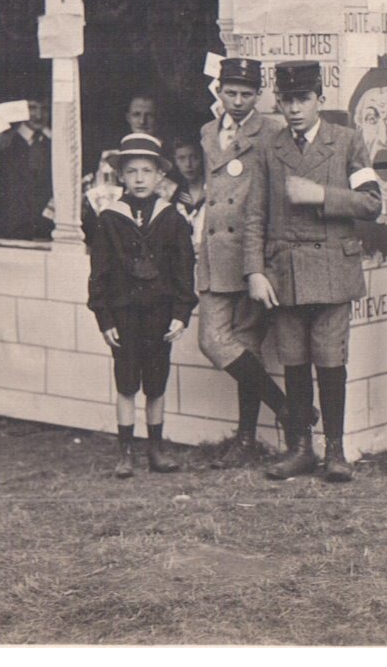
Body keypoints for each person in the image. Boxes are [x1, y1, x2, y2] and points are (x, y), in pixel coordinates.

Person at [243, 61, 383, 481]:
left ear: (320, 98)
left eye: (303, 99)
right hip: (284, 272)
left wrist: (320, 194)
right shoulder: (270, 148)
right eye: (287, 100)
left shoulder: (347, 142)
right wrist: (254, 271)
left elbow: (373, 204)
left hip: (332, 271)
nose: (295, 108)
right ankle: (300, 448)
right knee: (294, 359)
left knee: (329, 359)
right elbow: (254, 214)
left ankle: (335, 452)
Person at [195, 58, 295, 469]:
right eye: (230, 92)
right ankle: (287, 409)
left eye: (246, 93)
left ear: (259, 95)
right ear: (219, 91)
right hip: (215, 253)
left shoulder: (271, 130)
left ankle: (246, 438)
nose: (237, 101)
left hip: (252, 254)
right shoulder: (207, 132)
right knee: (213, 340)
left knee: (248, 344)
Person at [86, 133, 197, 477]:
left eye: (146, 171)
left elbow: (184, 271)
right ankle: (125, 452)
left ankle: (156, 449)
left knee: (157, 381)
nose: (139, 178)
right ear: (121, 175)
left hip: (159, 314)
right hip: (124, 314)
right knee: (126, 381)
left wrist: (181, 313)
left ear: (159, 175)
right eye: (131, 171)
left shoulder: (172, 219)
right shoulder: (109, 219)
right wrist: (105, 318)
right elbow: (99, 274)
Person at [0, 92, 55, 241]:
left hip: (45, 232)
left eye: (44, 108)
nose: (38, 115)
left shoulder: (55, 143)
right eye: (32, 108)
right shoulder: (4, 143)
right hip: (8, 231)